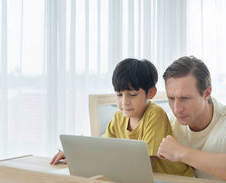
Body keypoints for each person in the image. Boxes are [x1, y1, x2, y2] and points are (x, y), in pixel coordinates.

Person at [51, 58, 194, 177]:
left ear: (150, 93)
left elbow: (145, 165)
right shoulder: (119, 118)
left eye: (132, 95)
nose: (124, 102)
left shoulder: (154, 115)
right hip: (150, 181)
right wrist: (76, 155)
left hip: (179, 181)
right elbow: (102, 150)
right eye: (119, 95)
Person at [157, 56, 226, 183]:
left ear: (207, 93)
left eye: (185, 98)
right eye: (171, 98)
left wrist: (181, 153)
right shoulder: (170, 121)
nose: (177, 109)